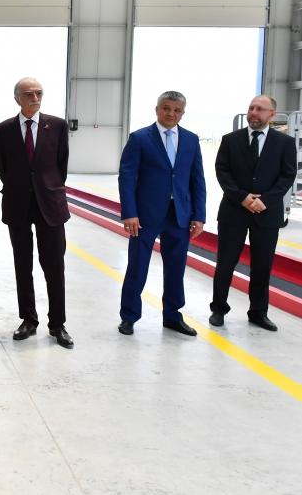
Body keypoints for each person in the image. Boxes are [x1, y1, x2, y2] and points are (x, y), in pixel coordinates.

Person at [0, 77, 74, 349]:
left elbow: (61, 165)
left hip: (50, 205)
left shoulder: (57, 126)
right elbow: (2, 167)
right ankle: (28, 319)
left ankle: (57, 324)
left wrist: (47, 187)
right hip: (17, 203)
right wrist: (22, 187)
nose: (35, 98)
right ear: (17, 98)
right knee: (22, 264)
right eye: (29, 94)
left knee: (54, 266)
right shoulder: (3, 130)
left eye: (39, 93)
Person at [118, 91, 206, 337]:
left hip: (179, 215)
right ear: (157, 109)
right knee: (138, 266)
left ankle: (172, 316)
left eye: (177, 110)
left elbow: (197, 180)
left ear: (183, 113)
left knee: (176, 268)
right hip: (145, 216)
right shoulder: (139, 138)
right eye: (166, 108)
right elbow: (126, 177)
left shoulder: (191, 140)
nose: (171, 114)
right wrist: (129, 213)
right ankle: (129, 316)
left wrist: (199, 215)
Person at [210, 95, 296, 331]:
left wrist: (264, 201)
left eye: (260, 109)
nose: (254, 112)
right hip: (233, 211)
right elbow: (222, 171)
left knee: (262, 266)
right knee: (225, 263)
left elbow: (287, 175)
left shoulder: (285, 143)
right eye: (251, 108)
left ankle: (258, 312)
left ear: (271, 114)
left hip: (267, 213)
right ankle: (218, 309)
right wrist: (243, 197)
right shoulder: (231, 140)